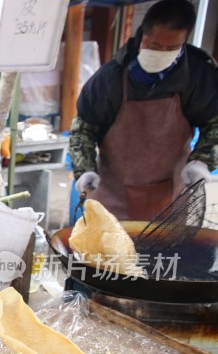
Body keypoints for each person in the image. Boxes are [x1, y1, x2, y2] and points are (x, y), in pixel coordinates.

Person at [69, 0, 218, 221]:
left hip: (170, 196)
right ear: (141, 36)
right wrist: (85, 170)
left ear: (184, 42)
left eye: (171, 48)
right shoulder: (110, 79)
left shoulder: (197, 76)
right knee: (109, 252)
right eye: (155, 45)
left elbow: (214, 123)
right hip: (111, 194)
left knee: (164, 255)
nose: (162, 53)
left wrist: (201, 161)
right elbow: (83, 130)